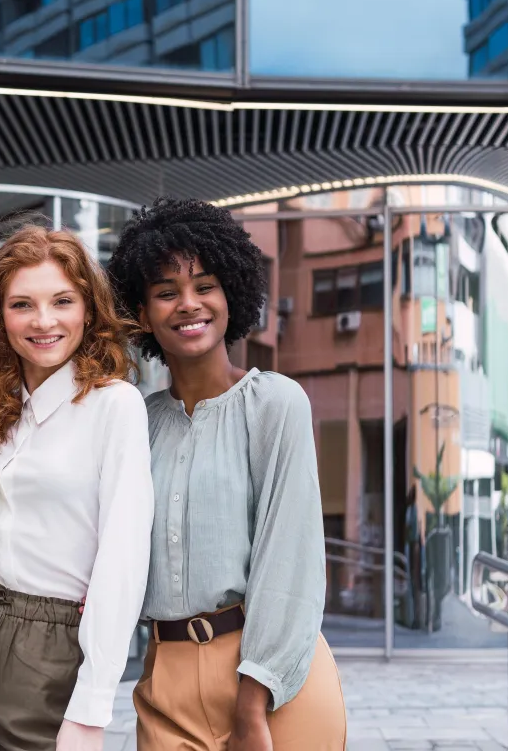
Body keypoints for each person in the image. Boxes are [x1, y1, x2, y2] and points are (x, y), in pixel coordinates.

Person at [106, 198, 347, 751]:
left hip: (271, 681)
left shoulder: (275, 404)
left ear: (230, 294)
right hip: (165, 680)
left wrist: (252, 701)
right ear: (142, 311)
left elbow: (290, 561)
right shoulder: (135, 422)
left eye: (205, 286)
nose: (188, 304)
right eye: (166, 291)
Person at [0, 223, 155, 751]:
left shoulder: (114, 405)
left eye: (62, 301)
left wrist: (92, 708)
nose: (43, 321)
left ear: (89, 309)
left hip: (54, 645)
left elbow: (123, 560)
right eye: (22, 305)